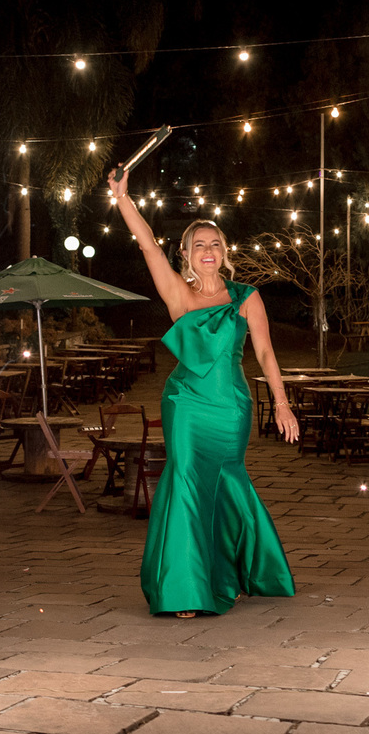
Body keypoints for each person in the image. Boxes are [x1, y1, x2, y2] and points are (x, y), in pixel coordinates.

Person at [109, 168, 298, 618]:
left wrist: (282, 404)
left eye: (215, 243)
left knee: (227, 483)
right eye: (199, 244)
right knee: (188, 482)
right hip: (187, 406)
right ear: (186, 254)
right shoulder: (178, 295)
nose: (208, 250)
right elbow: (148, 245)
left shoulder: (247, 297)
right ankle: (186, 589)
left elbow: (265, 354)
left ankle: (228, 573)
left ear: (224, 252)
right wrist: (122, 199)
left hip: (231, 408)